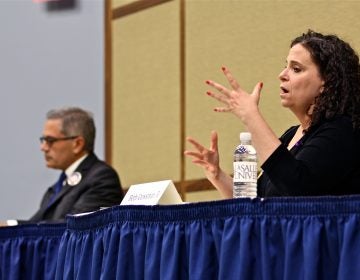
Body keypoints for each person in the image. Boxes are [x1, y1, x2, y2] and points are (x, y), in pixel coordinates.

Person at [184, 30, 360, 198]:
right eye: (286, 67)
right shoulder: (291, 134)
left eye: (296, 69)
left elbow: (299, 191)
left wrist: (251, 116)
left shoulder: (342, 130)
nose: (282, 75)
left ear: (326, 82)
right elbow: (257, 201)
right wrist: (217, 175)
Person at [1, 107, 124, 225]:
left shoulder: (102, 178)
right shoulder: (58, 186)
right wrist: (10, 225)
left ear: (77, 144)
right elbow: (36, 225)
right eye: (43, 140)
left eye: (50, 140)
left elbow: (73, 228)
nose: (43, 147)